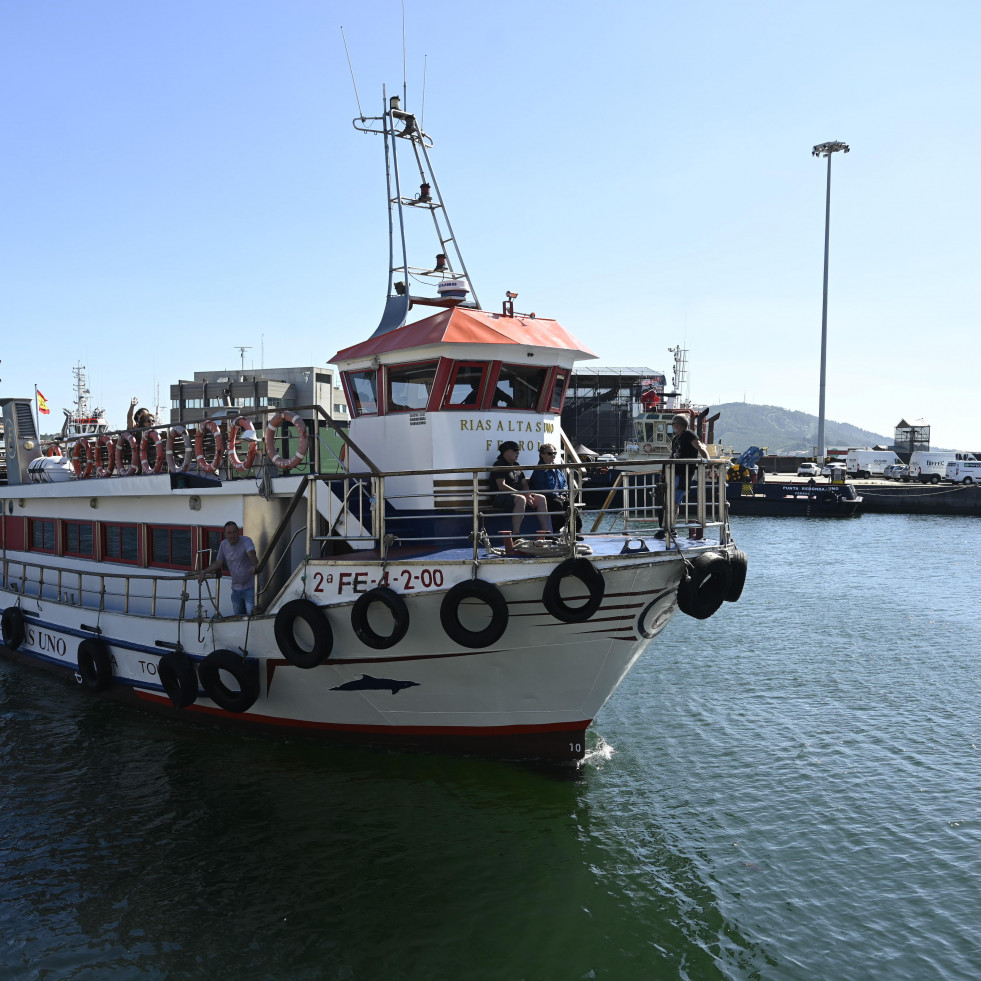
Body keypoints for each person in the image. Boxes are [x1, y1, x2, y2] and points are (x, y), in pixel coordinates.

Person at [489, 441, 551, 553]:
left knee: (541, 498)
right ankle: (516, 534)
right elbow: (501, 485)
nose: (517, 453)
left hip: (517, 496)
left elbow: (524, 483)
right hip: (499, 497)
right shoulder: (499, 464)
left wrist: (527, 494)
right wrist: (522, 495)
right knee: (521, 499)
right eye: (515, 450)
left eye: (518, 450)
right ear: (506, 452)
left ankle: (546, 532)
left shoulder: (517, 466)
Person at [197, 521, 258, 615]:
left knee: (251, 618)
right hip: (236, 590)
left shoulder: (246, 541)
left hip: (251, 588)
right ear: (225, 534)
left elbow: (252, 554)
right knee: (237, 619)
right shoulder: (223, 545)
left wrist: (254, 565)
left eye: (234, 532)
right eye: (229, 533)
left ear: (238, 532)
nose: (232, 535)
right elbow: (218, 563)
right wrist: (204, 571)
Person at [669, 414, 708, 538]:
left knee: (674, 501)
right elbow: (672, 455)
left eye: (674, 424)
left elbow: (700, 447)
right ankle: (670, 527)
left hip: (684, 474)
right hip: (674, 472)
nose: (673, 426)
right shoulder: (676, 439)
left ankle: (671, 529)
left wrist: (707, 461)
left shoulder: (689, 435)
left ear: (678, 425)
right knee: (671, 501)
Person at [529, 443, 581, 534]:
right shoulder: (539, 470)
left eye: (555, 453)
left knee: (571, 505)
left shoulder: (557, 468)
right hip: (547, 497)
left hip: (559, 496)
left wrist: (564, 494)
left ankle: (574, 532)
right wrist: (555, 495)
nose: (553, 455)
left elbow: (564, 483)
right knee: (556, 505)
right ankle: (556, 532)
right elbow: (541, 487)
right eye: (550, 453)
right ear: (542, 455)